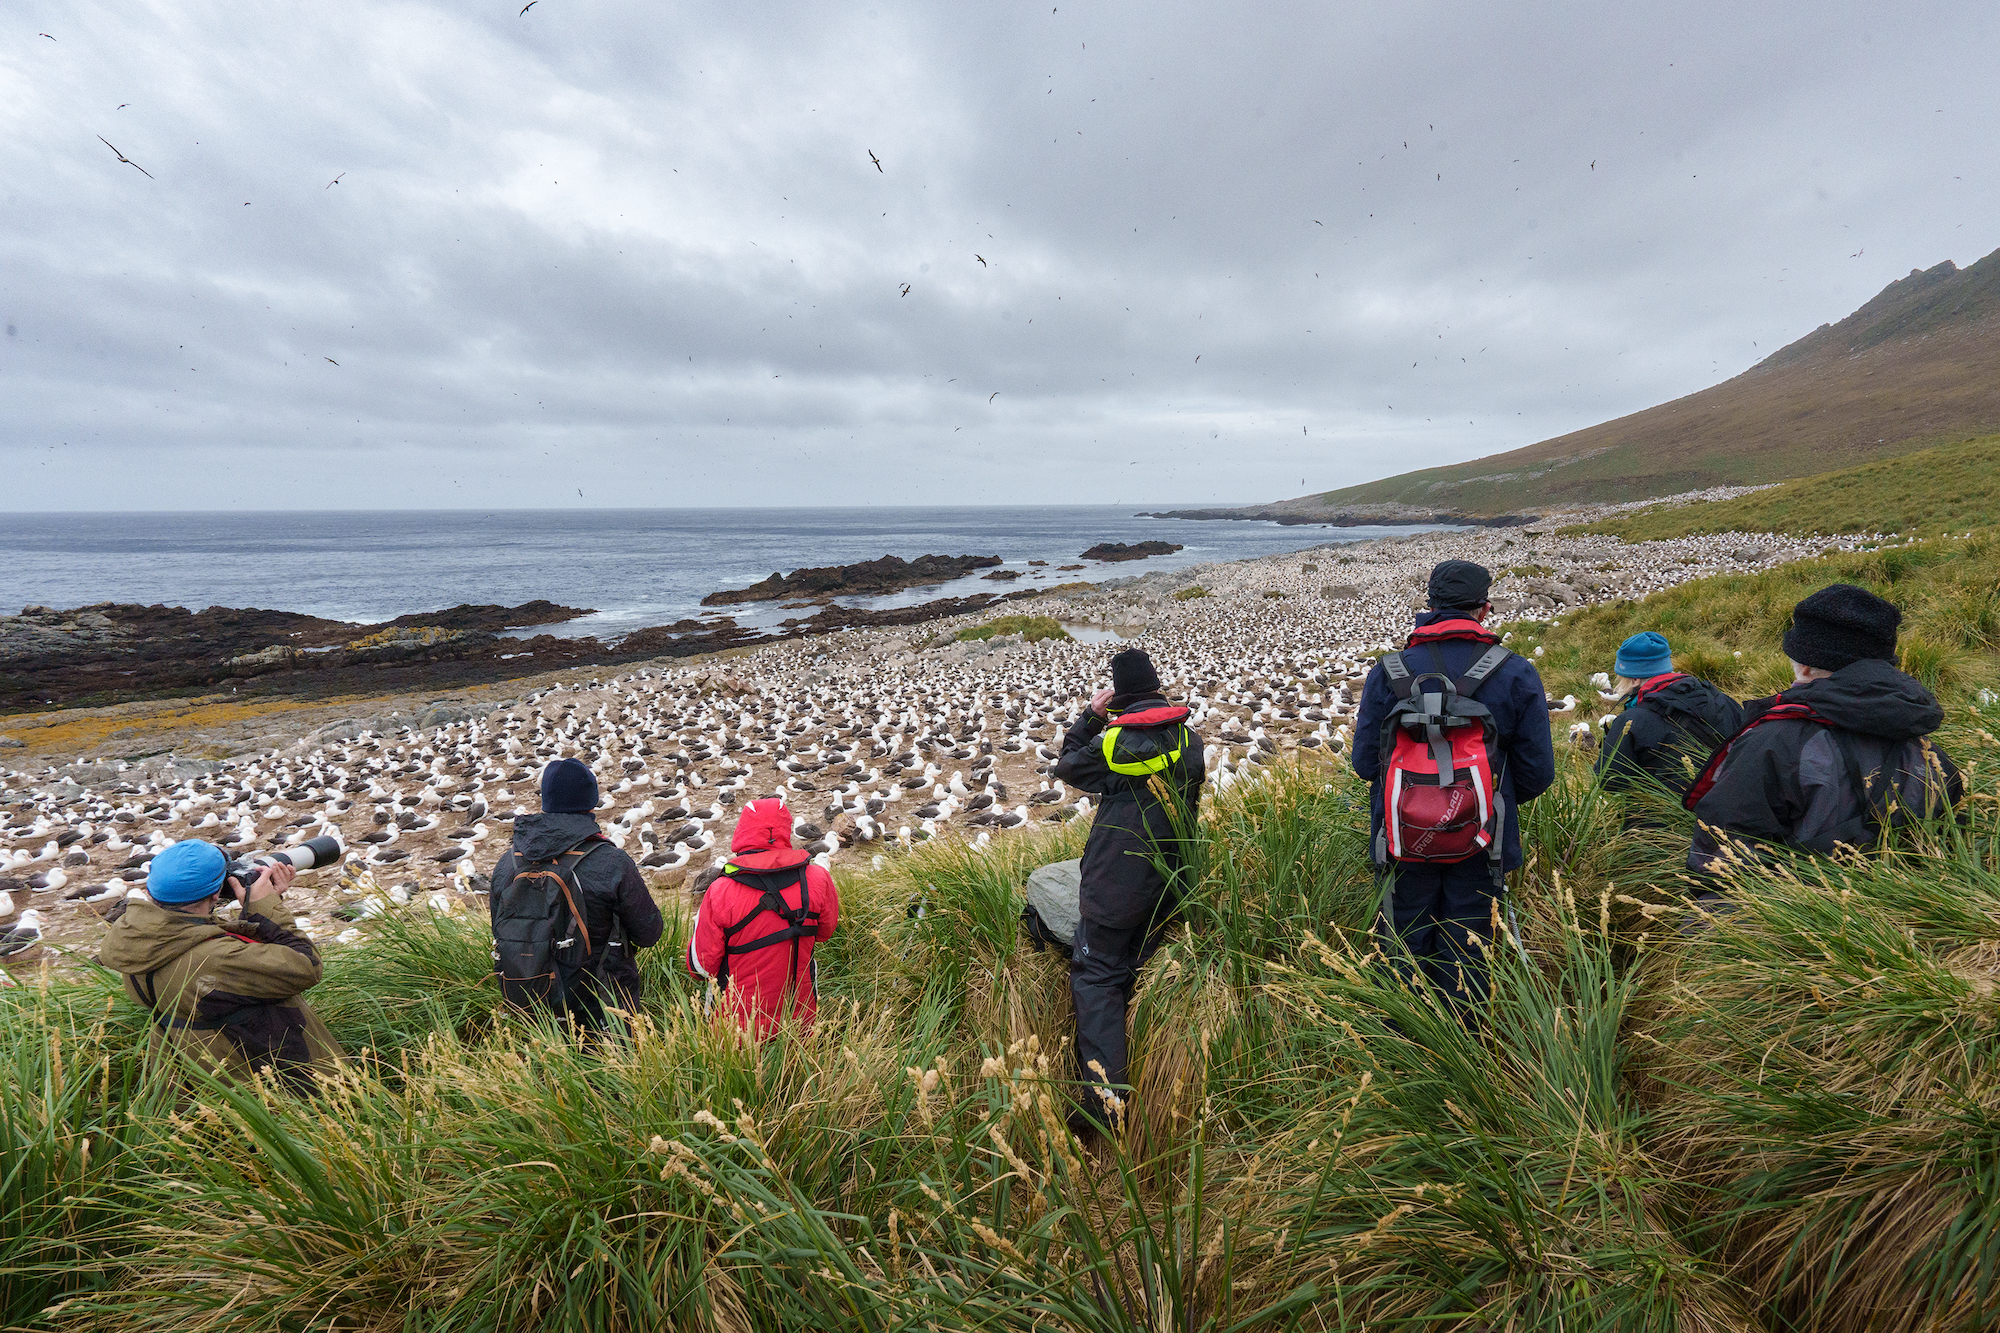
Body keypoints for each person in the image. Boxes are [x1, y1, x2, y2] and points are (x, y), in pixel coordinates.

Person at [1352, 559, 1556, 1008]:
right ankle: (1462, 1055)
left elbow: (1366, 764)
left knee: (1403, 944)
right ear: (1483, 609)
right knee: (1469, 950)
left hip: (1402, 840)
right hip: (1485, 840)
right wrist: (1482, 802)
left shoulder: (1388, 671)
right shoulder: (1516, 671)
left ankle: (1405, 1046)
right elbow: (1538, 772)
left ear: (1430, 606)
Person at [1685, 584, 1962, 884]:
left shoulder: (1774, 741)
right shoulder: (1917, 728)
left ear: (1804, 668)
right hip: (1924, 906)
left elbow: (1719, 861)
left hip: (1808, 916)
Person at [1052, 647, 1205, 1136]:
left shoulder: (1111, 745)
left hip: (1114, 883)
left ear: (1117, 697)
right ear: (1157, 688)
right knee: (1136, 958)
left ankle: (1104, 1108)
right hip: (1171, 879)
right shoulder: (1189, 738)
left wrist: (1090, 718)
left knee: (1096, 978)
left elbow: (1068, 767)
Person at [100, 839, 345, 1090]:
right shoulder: (216, 959)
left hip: (205, 1082)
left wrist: (265, 903)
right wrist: (267, 906)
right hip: (274, 1082)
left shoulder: (138, 941)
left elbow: (218, 951)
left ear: (151, 892)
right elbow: (306, 965)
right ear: (217, 893)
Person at [489, 758, 664, 1028]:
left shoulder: (508, 862)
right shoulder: (611, 862)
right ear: (591, 800)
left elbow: (498, 928)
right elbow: (649, 933)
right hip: (604, 1010)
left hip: (534, 1006)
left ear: (545, 799)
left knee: (546, 1068)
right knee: (611, 1068)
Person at [688, 796, 839, 1036]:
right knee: (796, 1072)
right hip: (799, 1021)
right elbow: (824, 932)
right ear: (785, 831)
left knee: (736, 1071)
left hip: (737, 1028)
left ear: (742, 832)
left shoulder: (720, 890)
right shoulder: (818, 878)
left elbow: (702, 967)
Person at [1594, 631, 1744, 809]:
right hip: (1734, 812)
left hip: (1662, 824)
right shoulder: (1724, 701)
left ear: (1634, 679)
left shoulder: (1632, 721)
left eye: (1621, 677)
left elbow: (1609, 780)